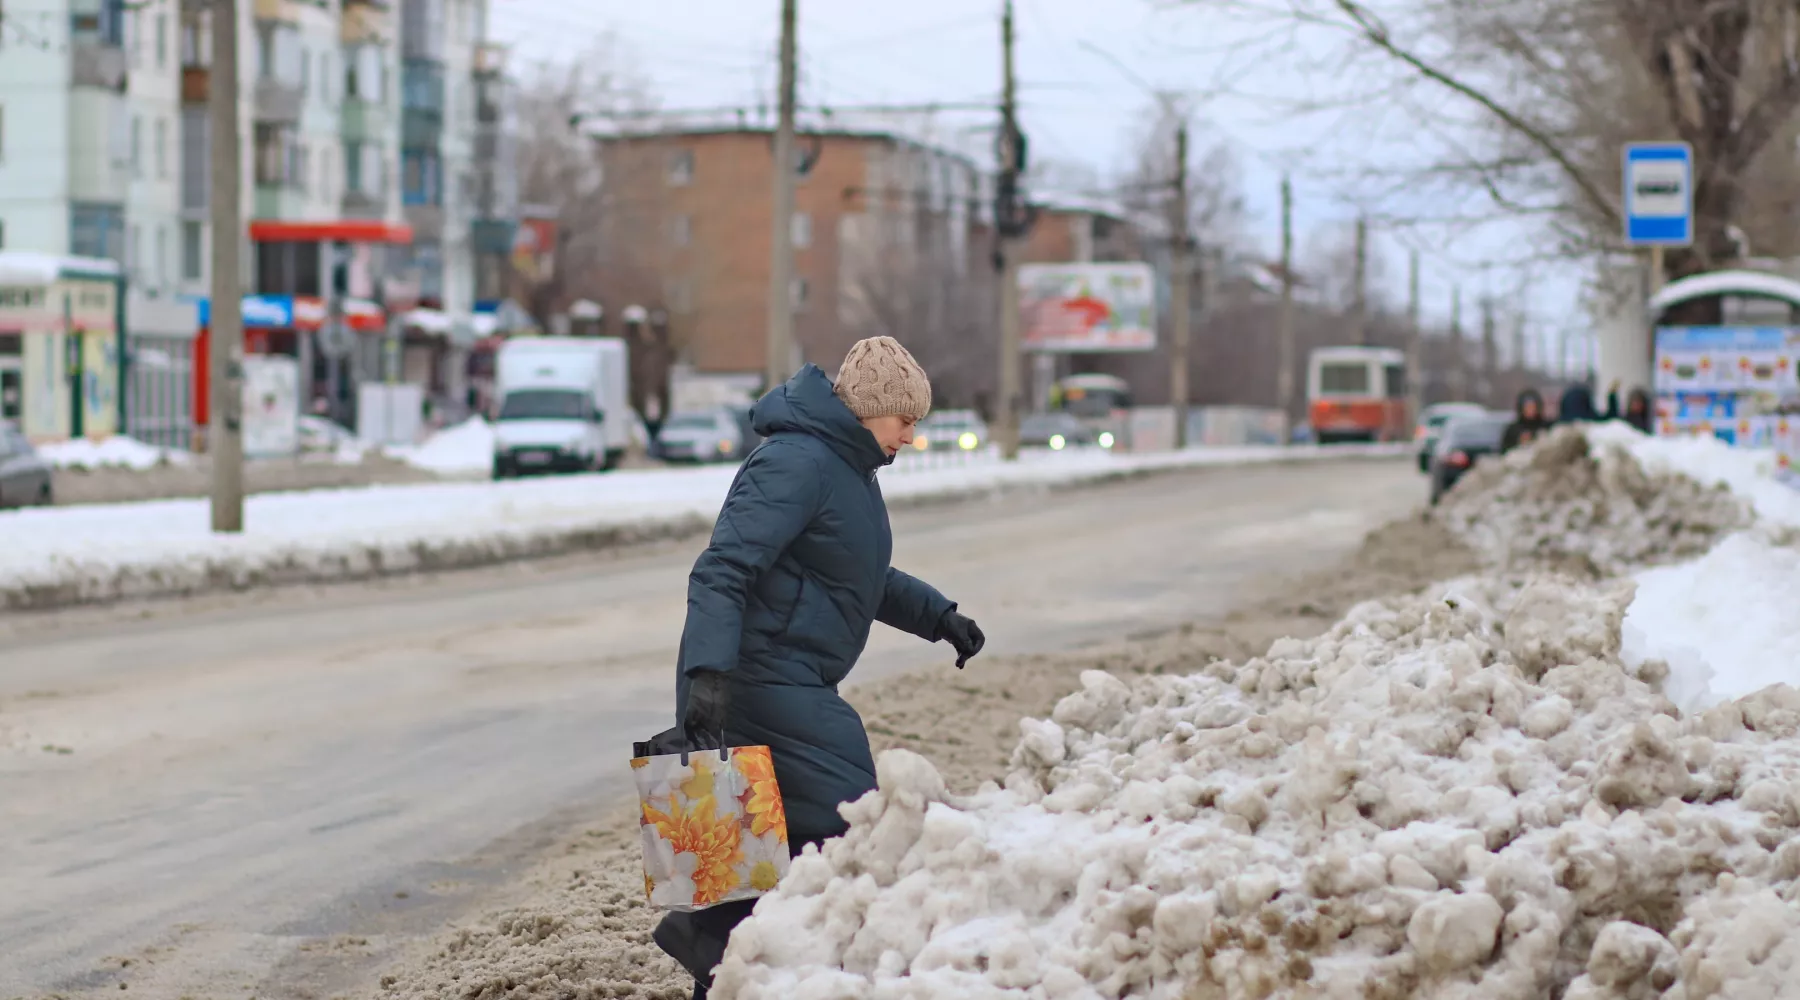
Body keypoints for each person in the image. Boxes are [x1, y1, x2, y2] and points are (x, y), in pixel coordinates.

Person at [653, 337, 987, 998]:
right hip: (756, 681)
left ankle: (727, 955)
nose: (912, 437)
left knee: (758, 852)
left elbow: (858, 574)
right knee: (854, 821)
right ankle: (722, 945)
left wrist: (937, 616)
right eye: (906, 421)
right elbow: (723, 570)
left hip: (786, 679)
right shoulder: (796, 464)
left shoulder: (846, 470)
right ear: (872, 411)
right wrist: (707, 677)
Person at [1501, 388, 1550, 452]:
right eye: (1527, 407)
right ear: (1521, 408)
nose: (1530, 410)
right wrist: (1519, 441)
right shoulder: (1512, 430)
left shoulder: (1547, 426)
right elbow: (1504, 451)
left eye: (1533, 406)